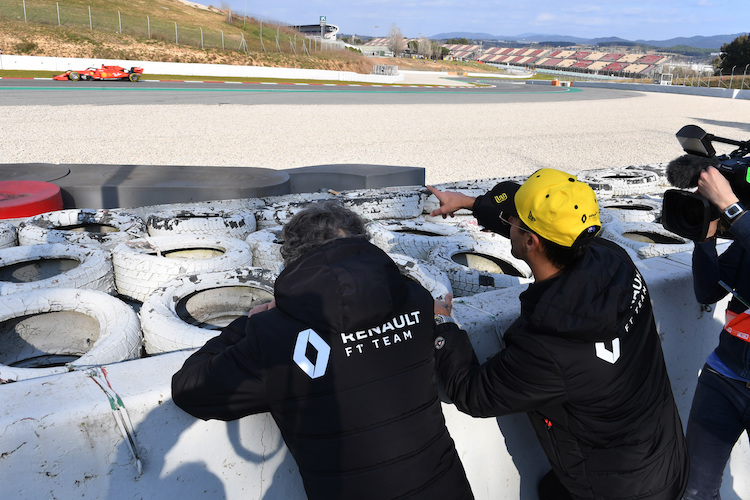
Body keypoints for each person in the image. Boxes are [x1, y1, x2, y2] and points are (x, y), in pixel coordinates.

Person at [171, 201, 473, 500]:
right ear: (362, 245)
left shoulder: (273, 334)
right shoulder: (415, 300)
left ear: (291, 257)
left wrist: (247, 324)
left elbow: (190, 390)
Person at [427, 168, 688, 499]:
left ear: (530, 241)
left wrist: (443, 327)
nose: (509, 223)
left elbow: (472, 392)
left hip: (620, 489)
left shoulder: (548, 345)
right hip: (662, 456)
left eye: (514, 222)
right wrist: (469, 203)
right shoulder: (615, 259)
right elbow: (544, 231)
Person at [684, 165, 750, 500]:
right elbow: (708, 292)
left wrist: (729, 204)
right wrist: (706, 240)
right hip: (724, 376)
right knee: (694, 488)